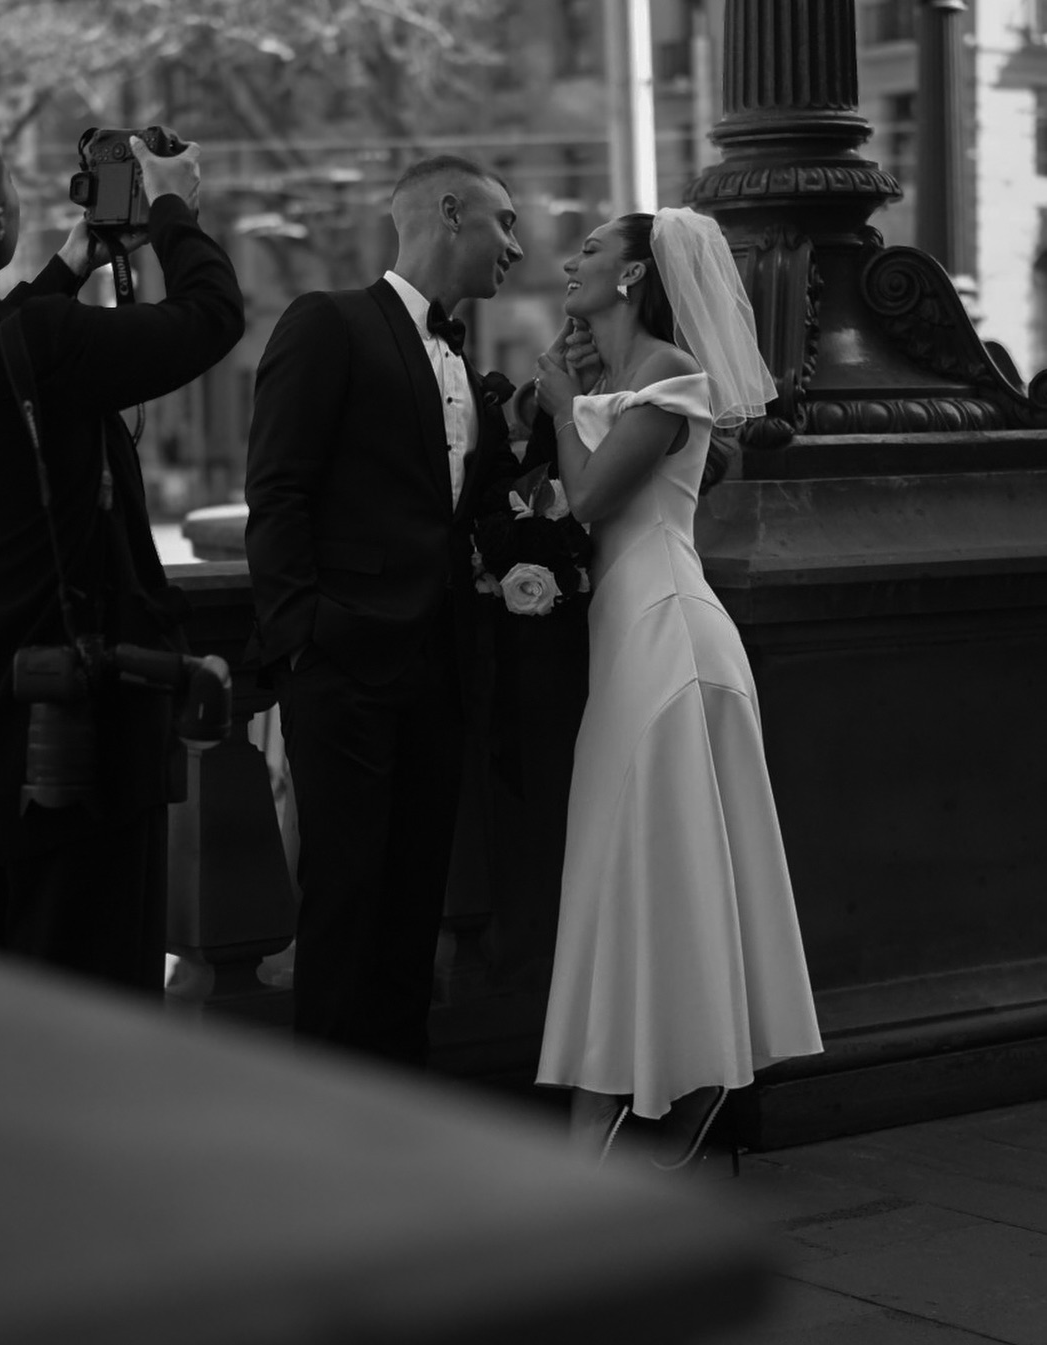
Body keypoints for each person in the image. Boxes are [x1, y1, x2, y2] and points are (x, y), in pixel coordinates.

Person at [532, 207, 823, 1165]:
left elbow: (586, 501)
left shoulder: (667, 373)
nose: (571, 261)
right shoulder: (616, 377)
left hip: (667, 637)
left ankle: (627, 1132)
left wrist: (550, 400)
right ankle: (650, 1125)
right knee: (638, 869)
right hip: (628, 633)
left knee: (645, 870)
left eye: (590, 252)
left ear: (632, 277)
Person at [244, 155, 524, 1066]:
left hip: (438, 670)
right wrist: (304, 644)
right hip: (343, 671)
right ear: (450, 212)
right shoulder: (331, 323)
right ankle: (326, 1125)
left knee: (415, 904)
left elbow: (462, 506)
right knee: (344, 901)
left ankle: (402, 1115)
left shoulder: (466, 361)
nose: (516, 246)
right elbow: (278, 491)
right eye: (504, 222)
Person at [0, 120, 244, 990]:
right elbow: (208, 318)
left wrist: (70, 265)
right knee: (86, 1015)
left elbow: (11, 339)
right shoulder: (43, 346)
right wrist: (172, 208)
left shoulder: (18, 344)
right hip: (63, 756)